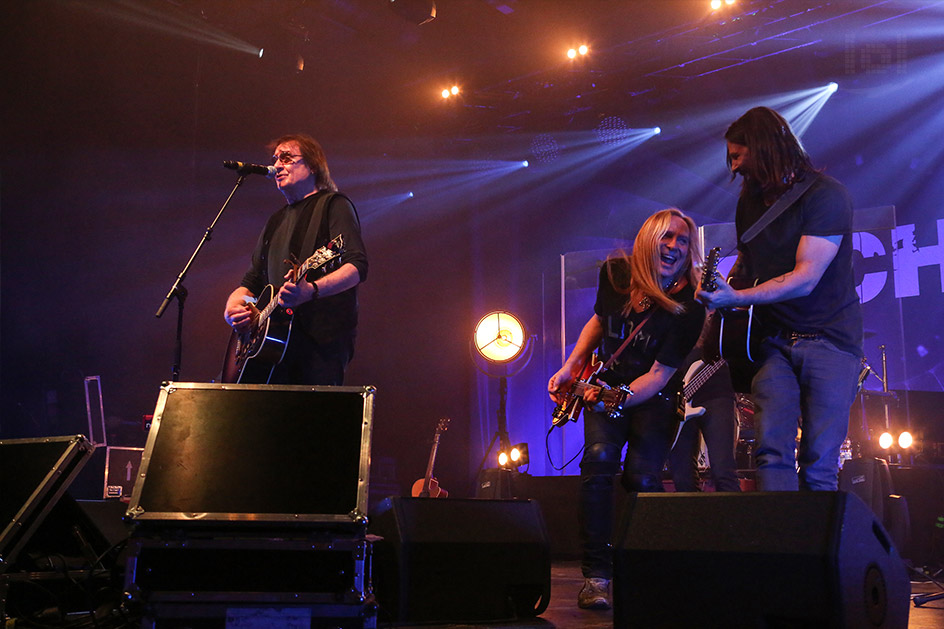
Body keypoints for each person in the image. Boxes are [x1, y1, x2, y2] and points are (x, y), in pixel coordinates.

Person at [696, 106, 863, 492]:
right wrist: (721, 290)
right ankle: (779, 548)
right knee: (771, 450)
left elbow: (806, 278)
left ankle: (814, 551)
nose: (734, 167)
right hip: (772, 342)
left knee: (820, 460)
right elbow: (749, 261)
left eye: (739, 155)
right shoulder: (749, 203)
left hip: (830, 341)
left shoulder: (827, 196)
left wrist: (738, 295)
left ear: (764, 149)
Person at [548, 208, 705, 610]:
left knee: (642, 479)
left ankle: (641, 569)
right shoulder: (616, 274)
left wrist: (611, 398)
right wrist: (571, 367)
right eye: (666, 237)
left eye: (682, 240)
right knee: (599, 462)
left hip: (652, 397)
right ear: (649, 240)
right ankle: (597, 576)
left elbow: (657, 375)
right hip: (604, 382)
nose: (673, 246)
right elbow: (599, 323)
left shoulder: (691, 304)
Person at [224, 133, 368, 385]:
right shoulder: (275, 220)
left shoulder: (334, 204)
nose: (277, 165)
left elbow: (356, 266)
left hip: (319, 342)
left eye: (287, 158)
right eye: (275, 159)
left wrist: (310, 290)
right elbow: (251, 281)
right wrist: (233, 309)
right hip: (270, 347)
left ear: (312, 165)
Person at [667, 331, 742, 493]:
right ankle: (694, 517)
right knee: (682, 476)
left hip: (717, 393)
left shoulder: (718, 314)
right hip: (678, 398)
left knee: (723, 471)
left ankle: (735, 517)